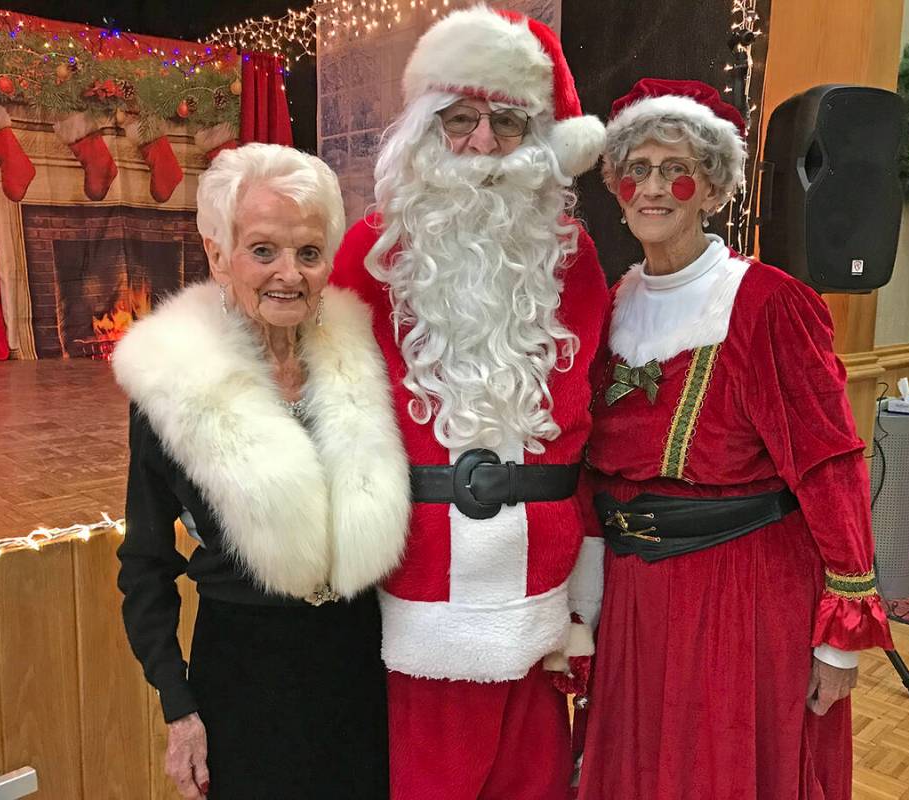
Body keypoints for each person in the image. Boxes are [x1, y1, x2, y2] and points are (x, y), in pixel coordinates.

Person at [577, 78, 895, 800]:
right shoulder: (612, 304)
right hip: (633, 599)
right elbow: (591, 474)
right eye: (637, 169)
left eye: (674, 168)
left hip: (739, 596)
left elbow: (830, 466)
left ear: (711, 188)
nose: (652, 187)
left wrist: (839, 630)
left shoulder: (767, 303)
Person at [330, 7, 608, 799]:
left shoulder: (572, 259)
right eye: (459, 119)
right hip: (418, 587)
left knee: (537, 781)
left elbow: (589, 429)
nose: (482, 143)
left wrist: (584, 592)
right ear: (425, 130)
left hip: (540, 585)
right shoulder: (371, 252)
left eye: (508, 123)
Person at [112, 143, 410, 800]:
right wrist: (178, 707)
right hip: (244, 673)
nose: (289, 274)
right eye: (263, 250)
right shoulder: (172, 391)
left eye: (308, 253)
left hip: (360, 662)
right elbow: (145, 564)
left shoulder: (365, 362)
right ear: (218, 254)